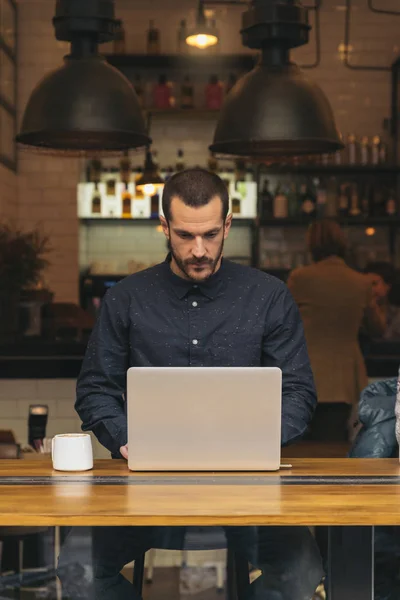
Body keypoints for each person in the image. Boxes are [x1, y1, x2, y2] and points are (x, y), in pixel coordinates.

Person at [58, 168, 323, 600]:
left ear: (228, 225)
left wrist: (257, 441)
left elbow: (298, 393)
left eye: (211, 235)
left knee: (303, 569)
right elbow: (95, 390)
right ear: (163, 226)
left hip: (248, 493)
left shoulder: (269, 296)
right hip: (143, 493)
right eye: (184, 235)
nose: (199, 250)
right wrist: (126, 441)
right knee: (77, 568)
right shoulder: (126, 298)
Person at [287, 219, 386, 443]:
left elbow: (282, 325)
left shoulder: (300, 278)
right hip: (344, 376)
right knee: (333, 445)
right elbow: (377, 328)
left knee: (296, 448)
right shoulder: (361, 282)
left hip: (303, 372)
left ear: (311, 244)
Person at [365, 261, 400, 340]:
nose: (370, 288)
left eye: (374, 284)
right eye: (366, 284)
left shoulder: (396, 315)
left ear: (387, 285)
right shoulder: (362, 314)